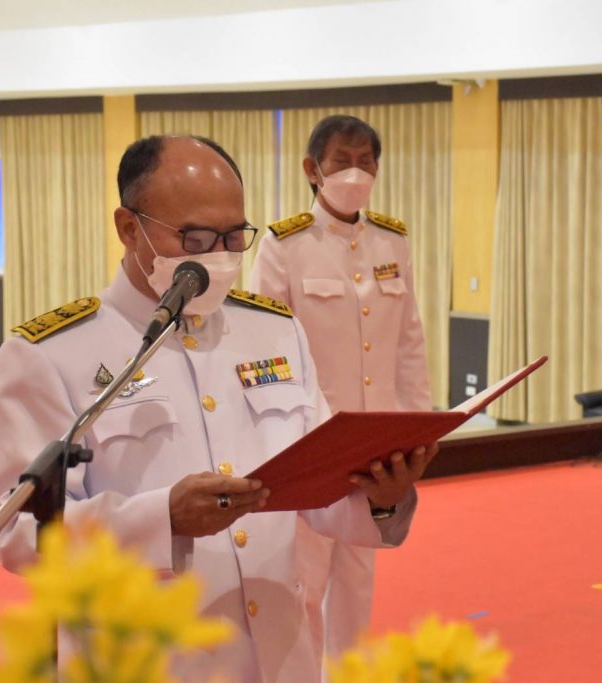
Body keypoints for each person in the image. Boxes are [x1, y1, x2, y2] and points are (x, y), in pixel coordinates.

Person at [0, 135, 432, 682]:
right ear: (130, 228)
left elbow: (315, 485)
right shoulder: (51, 353)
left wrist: (382, 497)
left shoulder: (274, 330)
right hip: (146, 662)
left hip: (279, 655)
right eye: (194, 236)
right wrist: (160, 518)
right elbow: (15, 532)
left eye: (233, 235)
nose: (218, 255)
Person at [249, 114, 432, 660]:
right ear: (313, 169)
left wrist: (416, 428)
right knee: (304, 580)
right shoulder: (285, 245)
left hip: (377, 442)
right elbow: (270, 353)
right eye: (341, 161)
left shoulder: (392, 242)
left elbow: (408, 344)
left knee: (357, 580)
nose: (355, 172)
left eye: (365, 160)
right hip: (312, 440)